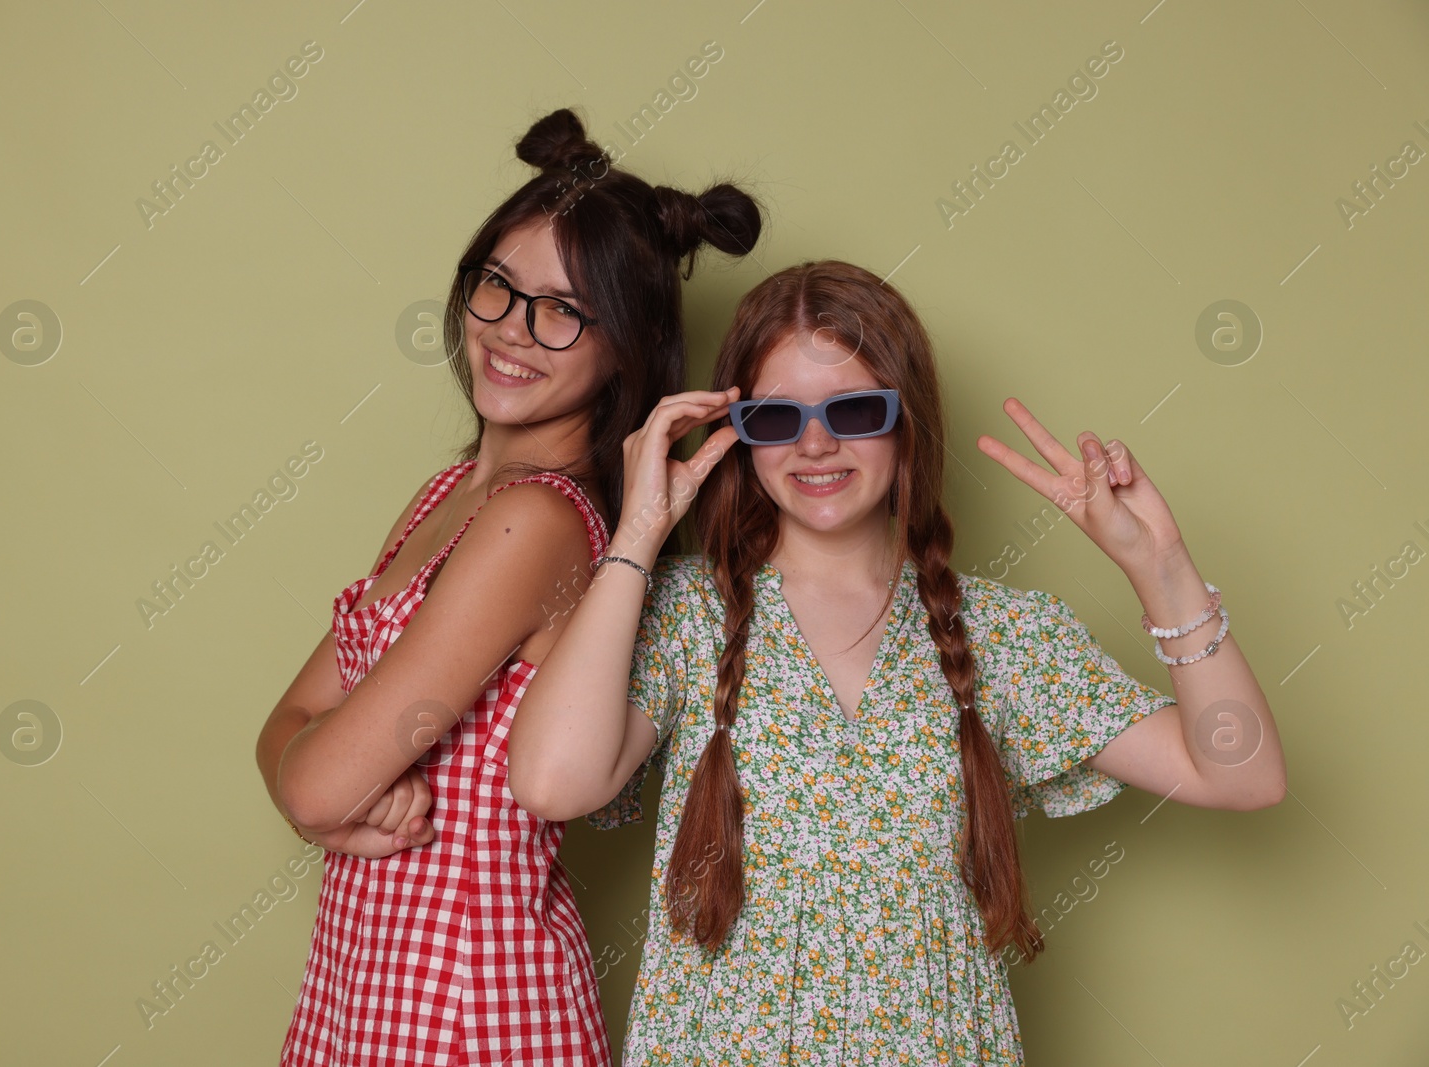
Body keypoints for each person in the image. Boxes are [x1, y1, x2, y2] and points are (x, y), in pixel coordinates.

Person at [508, 259, 1287, 1064]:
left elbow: (1241, 773)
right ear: (738, 433)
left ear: (904, 417)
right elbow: (550, 782)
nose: (815, 444)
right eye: (777, 418)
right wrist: (637, 535)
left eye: (853, 408)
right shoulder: (682, 613)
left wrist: (1158, 565)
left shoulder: (1004, 635)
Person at [253, 108, 763, 1066]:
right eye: (499, 285)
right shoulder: (450, 492)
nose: (514, 331)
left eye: (564, 310)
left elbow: (315, 775)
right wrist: (310, 790)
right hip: (362, 981)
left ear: (627, 346)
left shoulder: (536, 523)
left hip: (464, 1000)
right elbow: (284, 723)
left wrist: (320, 799)